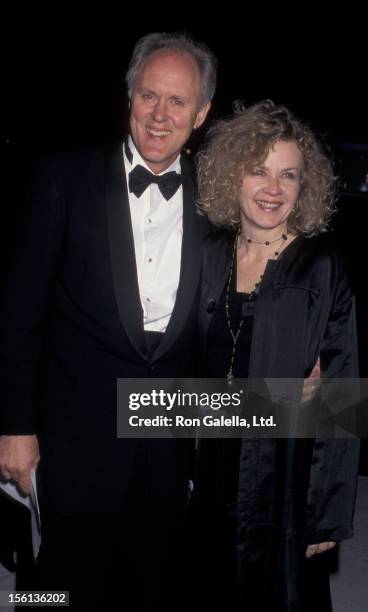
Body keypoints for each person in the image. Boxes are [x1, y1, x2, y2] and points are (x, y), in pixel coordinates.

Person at [0, 31, 216, 610]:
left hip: (165, 447)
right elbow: (20, 312)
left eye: (177, 102)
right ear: (129, 98)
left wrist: (312, 359)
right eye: (149, 96)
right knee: (51, 588)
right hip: (74, 440)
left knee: (145, 587)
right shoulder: (62, 178)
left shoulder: (215, 202)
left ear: (201, 113)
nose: (160, 115)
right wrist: (14, 428)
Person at [190, 100, 360, 611]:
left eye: (288, 175)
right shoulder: (202, 253)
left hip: (282, 476)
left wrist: (326, 514)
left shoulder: (321, 268)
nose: (273, 188)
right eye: (259, 170)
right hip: (205, 467)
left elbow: (340, 396)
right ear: (230, 174)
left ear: (304, 186)